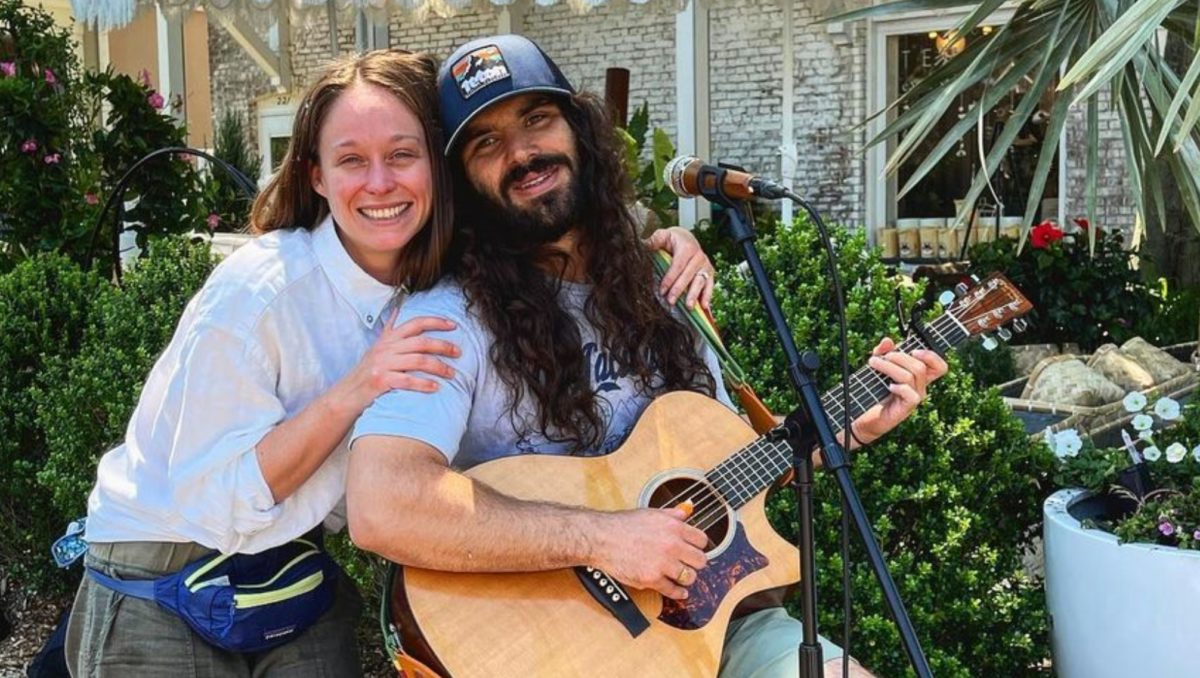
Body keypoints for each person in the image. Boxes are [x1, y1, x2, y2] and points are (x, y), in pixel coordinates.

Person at [63, 47, 722, 677]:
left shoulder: (430, 277)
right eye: (352, 160)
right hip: (161, 573)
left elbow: (564, 231)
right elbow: (213, 500)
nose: (380, 184)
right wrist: (357, 387)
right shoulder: (260, 293)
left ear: (440, 170)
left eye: (403, 155)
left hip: (287, 564)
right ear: (316, 175)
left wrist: (662, 245)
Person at [347, 35, 948, 678]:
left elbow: (722, 469)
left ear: (579, 131)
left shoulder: (662, 281)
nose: (522, 153)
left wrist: (841, 430)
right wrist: (604, 537)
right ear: (461, 182)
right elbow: (383, 506)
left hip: (723, 630)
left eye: (536, 120)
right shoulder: (446, 320)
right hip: (559, 652)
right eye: (486, 144)